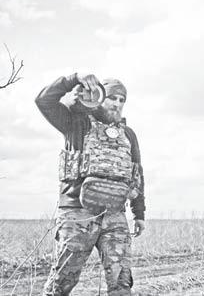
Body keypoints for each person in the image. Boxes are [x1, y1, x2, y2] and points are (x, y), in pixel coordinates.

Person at [36, 73, 145, 296]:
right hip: (77, 214)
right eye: (112, 97)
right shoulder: (76, 122)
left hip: (114, 214)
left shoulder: (128, 134)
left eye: (122, 100)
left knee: (121, 283)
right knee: (61, 283)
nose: (117, 103)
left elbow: (136, 174)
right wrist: (74, 79)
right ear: (100, 97)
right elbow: (43, 100)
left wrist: (139, 213)